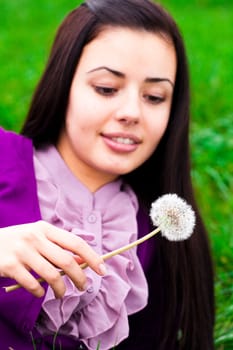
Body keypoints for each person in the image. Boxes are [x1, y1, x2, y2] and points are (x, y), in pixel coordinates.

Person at [0, 0, 214, 349]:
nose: (131, 112)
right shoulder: (2, 157)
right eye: (106, 88)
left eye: (155, 97)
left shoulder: (159, 240)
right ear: (63, 83)